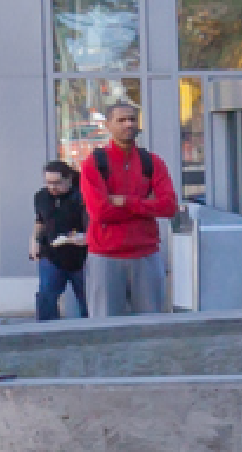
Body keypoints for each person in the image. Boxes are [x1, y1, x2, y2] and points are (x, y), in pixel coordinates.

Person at [73, 101, 181, 318]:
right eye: (121, 120)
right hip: (106, 256)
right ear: (108, 125)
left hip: (146, 254)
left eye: (132, 119)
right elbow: (100, 212)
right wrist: (146, 205)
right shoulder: (94, 163)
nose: (128, 124)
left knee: (151, 328)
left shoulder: (152, 162)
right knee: (105, 329)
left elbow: (169, 207)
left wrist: (125, 201)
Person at [28, 158, 89, 321]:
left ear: (69, 179)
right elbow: (40, 220)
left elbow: (91, 222)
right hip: (51, 253)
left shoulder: (81, 196)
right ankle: (46, 330)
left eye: (57, 182)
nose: (52, 187)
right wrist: (34, 241)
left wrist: (86, 237)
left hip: (81, 254)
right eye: (48, 182)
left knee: (86, 297)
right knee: (46, 295)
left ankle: (91, 328)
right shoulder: (41, 196)